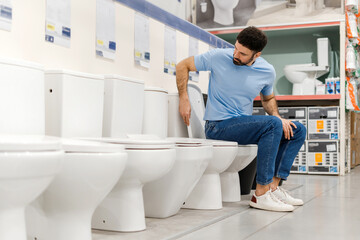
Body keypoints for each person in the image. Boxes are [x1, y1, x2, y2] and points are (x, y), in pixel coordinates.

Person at [175, 26, 306, 212]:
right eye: (236, 48)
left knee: (297, 129)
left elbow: (267, 99)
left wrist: (278, 117)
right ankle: (260, 195)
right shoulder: (219, 56)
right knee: (273, 125)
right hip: (217, 126)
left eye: (243, 53)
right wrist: (184, 98)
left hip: (241, 125)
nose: (236, 54)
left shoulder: (267, 71)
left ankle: (273, 187)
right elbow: (183, 65)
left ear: (256, 55)